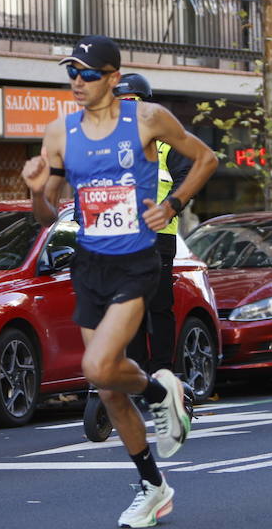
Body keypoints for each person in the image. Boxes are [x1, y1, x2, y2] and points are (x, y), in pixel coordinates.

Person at [23, 35, 218, 528]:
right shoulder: (59, 134)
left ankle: (158, 394)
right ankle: (154, 483)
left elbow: (206, 159)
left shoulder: (147, 119)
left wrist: (171, 206)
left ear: (113, 77)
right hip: (90, 264)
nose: (77, 82)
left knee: (97, 365)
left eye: (87, 73)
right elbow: (46, 212)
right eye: (72, 72)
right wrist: (33, 191)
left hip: (137, 260)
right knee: (107, 385)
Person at [83, 72, 194, 442]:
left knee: (157, 309)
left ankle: (163, 373)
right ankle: (136, 376)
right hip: (118, 240)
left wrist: (169, 207)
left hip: (157, 237)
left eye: (131, 102)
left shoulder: (163, 141)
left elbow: (186, 175)